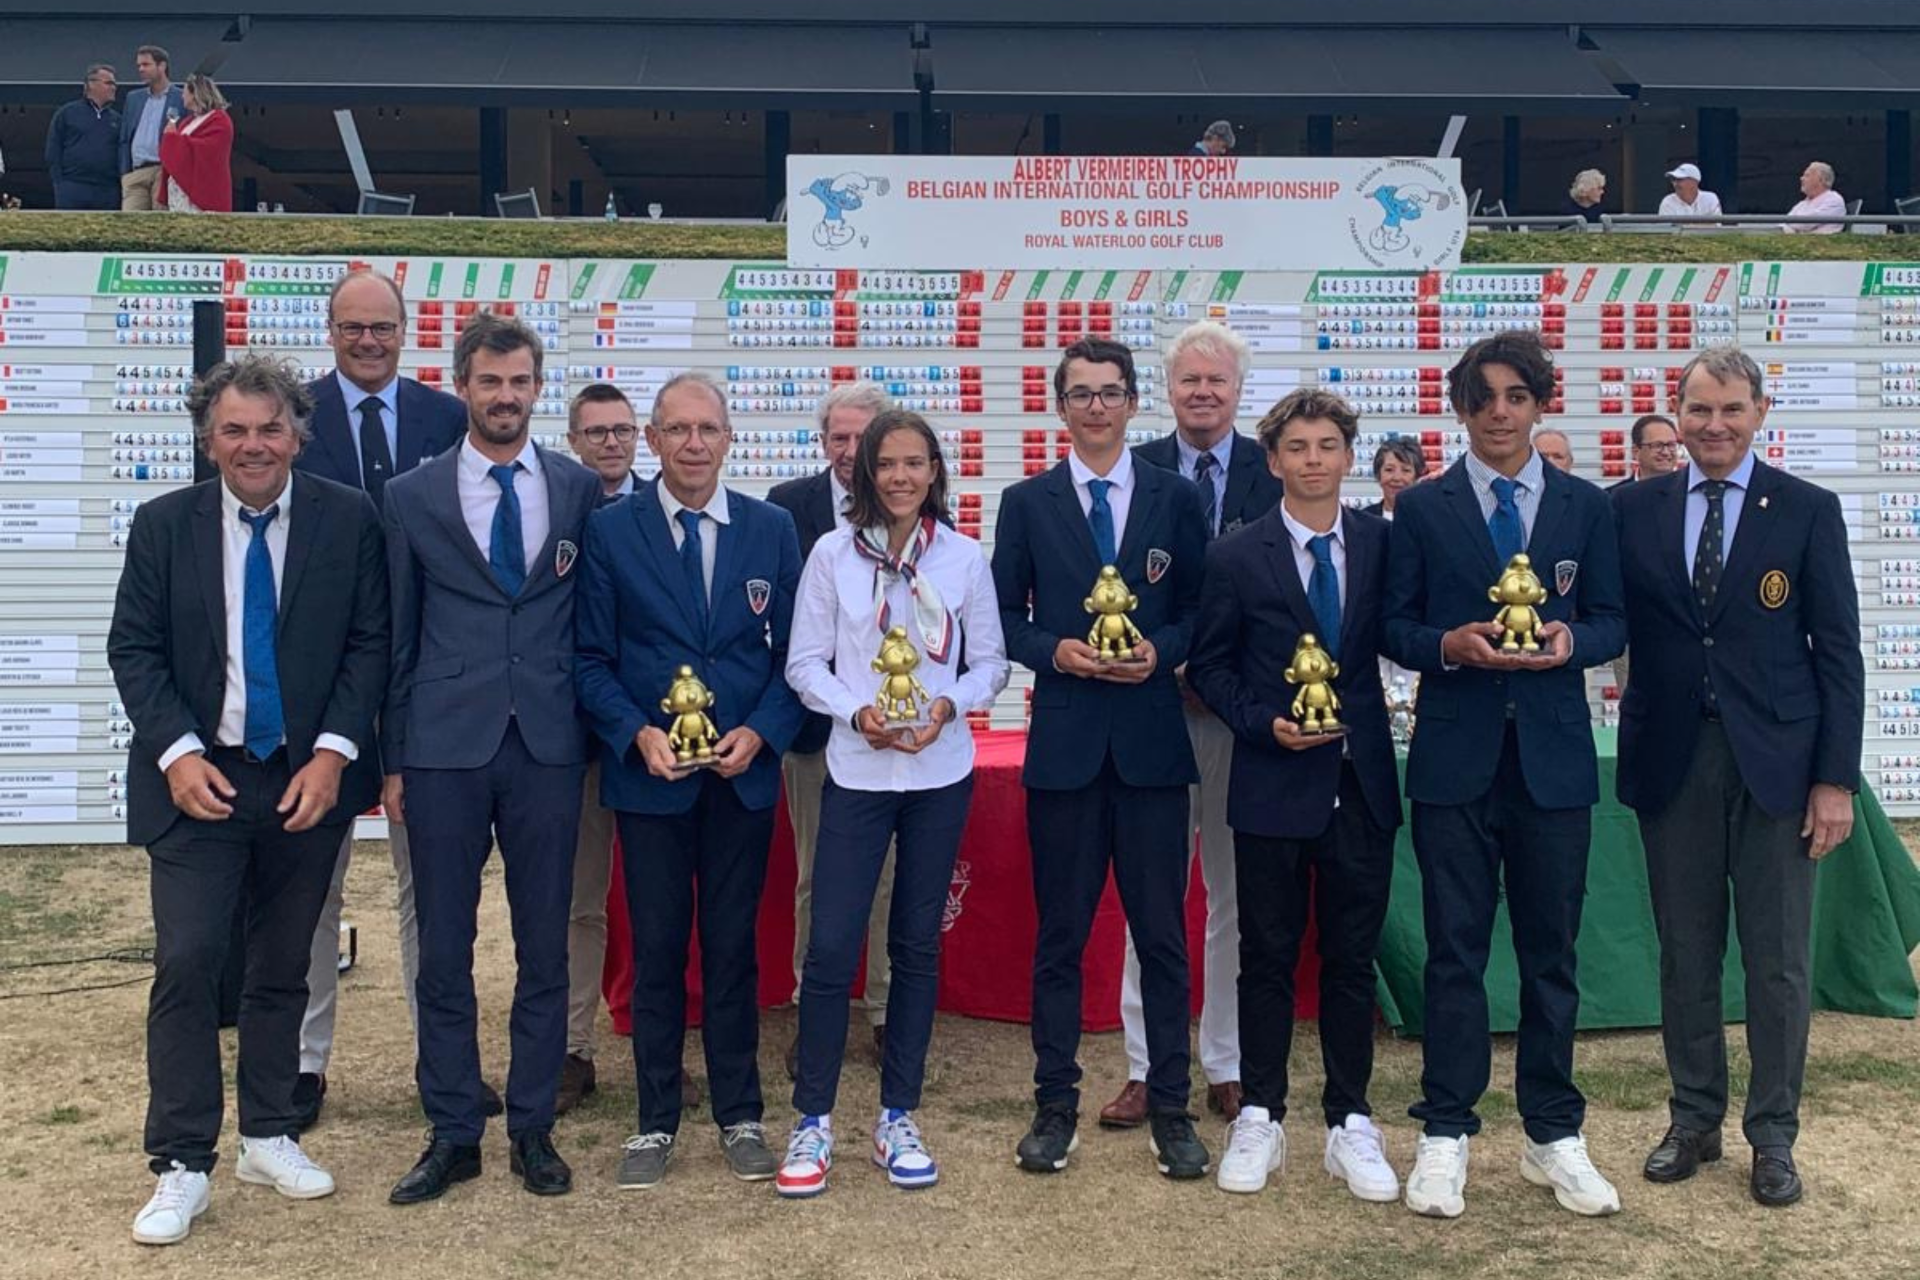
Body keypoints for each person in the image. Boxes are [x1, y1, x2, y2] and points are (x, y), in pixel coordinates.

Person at [106, 355, 389, 1244]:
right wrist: (178, 755)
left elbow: (371, 643)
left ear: (298, 436)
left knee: (284, 963)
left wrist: (334, 755)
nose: (253, 445)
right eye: (235, 429)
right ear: (208, 438)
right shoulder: (163, 525)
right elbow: (134, 649)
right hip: (199, 779)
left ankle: (268, 1133)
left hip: (303, 779)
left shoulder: (349, 518)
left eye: (271, 429)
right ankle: (182, 1162)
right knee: (190, 961)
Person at [1382, 330, 1626, 1220]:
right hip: (1456, 759)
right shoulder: (1423, 508)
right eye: (1481, 397)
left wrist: (1570, 642)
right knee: (1454, 953)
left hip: (1553, 762)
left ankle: (1552, 1132)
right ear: (1459, 408)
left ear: (1539, 403)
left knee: (1550, 955)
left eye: (1515, 396)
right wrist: (1447, 645)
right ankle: (1445, 1129)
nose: (1498, 412)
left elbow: (1612, 620)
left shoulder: (1584, 505)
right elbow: (1394, 626)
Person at [1613, 345, 1863, 1208]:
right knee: (1686, 954)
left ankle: (1773, 1134)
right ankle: (1693, 1120)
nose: (1713, 425)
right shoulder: (1631, 509)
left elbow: (1838, 653)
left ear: (1759, 412)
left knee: (1778, 962)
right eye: (1698, 409)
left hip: (1779, 770)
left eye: (1730, 409)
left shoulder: (1806, 509)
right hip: (1673, 759)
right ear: (1676, 415)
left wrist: (1835, 781)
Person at [381, 312, 601, 1205]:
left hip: (549, 744)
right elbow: (396, 632)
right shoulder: (410, 495)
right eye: (489, 381)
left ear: (537, 388)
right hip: (442, 748)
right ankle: (452, 1131)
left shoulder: (578, 489)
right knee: (445, 947)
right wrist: (393, 758)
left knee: (545, 944)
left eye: (519, 382)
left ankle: (533, 1127)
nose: (505, 396)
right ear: (462, 385)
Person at [573, 371, 804, 1190]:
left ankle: (741, 1114)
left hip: (742, 777)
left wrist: (762, 731)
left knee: (734, 949)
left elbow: (795, 657)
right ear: (654, 440)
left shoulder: (771, 528)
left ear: (729, 438)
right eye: (677, 429)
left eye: (708, 429)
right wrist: (635, 733)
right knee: (659, 950)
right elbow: (590, 658)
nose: (694, 443)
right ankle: (654, 1120)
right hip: (651, 782)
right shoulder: (611, 532)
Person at [992, 337, 1211, 1179]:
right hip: (1068, 748)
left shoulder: (1173, 496)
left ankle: (1172, 1109)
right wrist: (1055, 652)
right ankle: (1055, 1106)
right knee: (1061, 939)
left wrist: (1160, 651)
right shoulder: (1027, 502)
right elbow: (1004, 617)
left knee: (1163, 939)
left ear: (1131, 403)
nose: (1095, 407)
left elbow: (1196, 609)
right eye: (1080, 393)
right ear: (1060, 406)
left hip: (1153, 749)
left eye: (1110, 392)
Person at [777, 409, 1009, 1197]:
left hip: (940, 772)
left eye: (915, 463)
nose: (901, 477)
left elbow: (990, 664)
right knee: (832, 944)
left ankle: (896, 1115)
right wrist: (858, 714)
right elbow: (805, 664)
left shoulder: (964, 557)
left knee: (915, 944)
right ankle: (812, 1119)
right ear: (866, 473)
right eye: (887, 464)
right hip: (858, 771)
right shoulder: (831, 554)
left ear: (934, 471)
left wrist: (946, 707)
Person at [1187, 386, 1402, 1200]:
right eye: (1298, 448)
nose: (1314, 460)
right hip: (1272, 781)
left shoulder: (1383, 543)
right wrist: (1261, 724)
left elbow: (1401, 635)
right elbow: (1210, 667)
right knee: (1267, 956)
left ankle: (1350, 1119)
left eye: (1327, 446)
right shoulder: (1236, 555)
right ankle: (1261, 1114)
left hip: (1360, 781)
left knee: (1350, 959)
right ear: (1273, 460)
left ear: (1348, 456)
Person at [289, 268, 470, 1133]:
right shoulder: (293, 416)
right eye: (353, 327)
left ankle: (442, 1064)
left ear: (407, 330)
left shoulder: (447, 418)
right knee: (310, 889)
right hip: (320, 685)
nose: (368, 341)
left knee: (425, 890)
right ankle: (302, 1064)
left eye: (383, 327)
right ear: (330, 331)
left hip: (425, 686)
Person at [1099, 321, 1280, 1130]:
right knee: (1153, 896)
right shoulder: (1133, 472)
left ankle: (1226, 1062)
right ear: (1166, 392)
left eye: (1217, 381)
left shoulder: (1274, 470)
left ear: (1238, 390)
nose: (1203, 393)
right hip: (1154, 710)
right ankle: (1148, 1064)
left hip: (1241, 718)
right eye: (1189, 381)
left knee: (1234, 897)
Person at [768, 381, 898, 1078]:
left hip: (894, 729)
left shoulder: (912, 502)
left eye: (862, 437)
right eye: (838, 438)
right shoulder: (786, 507)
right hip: (816, 726)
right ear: (822, 443)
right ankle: (813, 1008)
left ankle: (882, 1011)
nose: (850, 451)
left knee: (886, 876)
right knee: (816, 877)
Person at [554, 381, 656, 1116]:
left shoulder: (667, 509)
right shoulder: (555, 511)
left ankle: (659, 1046)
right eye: (596, 432)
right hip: (578, 736)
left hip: (660, 738)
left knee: (657, 903)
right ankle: (573, 1048)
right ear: (573, 441)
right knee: (580, 900)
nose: (611, 442)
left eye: (622, 430)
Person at [45, 64, 121, 211]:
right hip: (72, 186)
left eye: (114, 84)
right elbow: (53, 150)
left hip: (107, 190)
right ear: (91, 84)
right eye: (109, 83)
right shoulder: (67, 113)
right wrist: (59, 183)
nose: (114, 88)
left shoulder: (117, 120)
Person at [155, 74, 233, 213]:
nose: (182, 96)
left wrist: (173, 140)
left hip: (204, 189)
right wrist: (171, 140)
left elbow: (209, 150)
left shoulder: (219, 120)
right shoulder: (187, 122)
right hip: (180, 191)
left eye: (185, 92)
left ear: (195, 94)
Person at [119, 44, 183, 211]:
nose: (141, 69)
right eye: (139, 65)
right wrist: (124, 171)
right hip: (136, 171)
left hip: (164, 170)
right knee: (130, 221)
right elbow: (125, 137)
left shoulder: (181, 97)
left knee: (160, 221)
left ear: (162, 66)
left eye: (146, 64)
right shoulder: (133, 98)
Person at [1608, 413, 1683, 493]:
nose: (1666, 452)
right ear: (1636, 452)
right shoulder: (1613, 496)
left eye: (1671, 445)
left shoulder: (1688, 493)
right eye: (1657, 445)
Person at [1364, 438, 1425, 519]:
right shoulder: (1364, 518)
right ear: (1378, 474)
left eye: (1405, 470)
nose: (1397, 478)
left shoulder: (1429, 519)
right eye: (1389, 470)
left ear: (1417, 476)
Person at [1782, 161, 1846, 234]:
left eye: (1807, 175)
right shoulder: (1802, 204)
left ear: (1821, 180)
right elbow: (1784, 222)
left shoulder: (1834, 200)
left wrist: (1792, 228)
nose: (1801, 178)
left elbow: (1806, 223)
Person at [1657, 163, 1722, 220]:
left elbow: (1716, 226)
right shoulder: (1667, 202)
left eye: (1679, 179)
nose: (1675, 184)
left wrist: (1683, 227)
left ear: (1694, 182)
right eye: (1673, 180)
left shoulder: (1710, 198)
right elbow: (1667, 229)